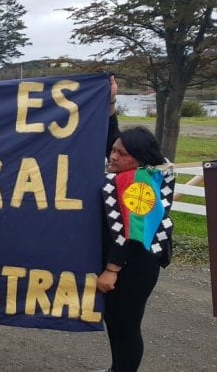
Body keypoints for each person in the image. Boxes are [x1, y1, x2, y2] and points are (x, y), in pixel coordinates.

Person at [98, 75, 173, 371]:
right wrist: (111, 102)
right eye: (114, 151)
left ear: (138, 159)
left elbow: (134, 234)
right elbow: (111, 138)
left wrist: (111, 271)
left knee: (126, 327)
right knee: (116, 323)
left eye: (120, 154)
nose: (113, 156)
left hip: (134, 267)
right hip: (129, 266)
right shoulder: (135, 170)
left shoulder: (142, 184)